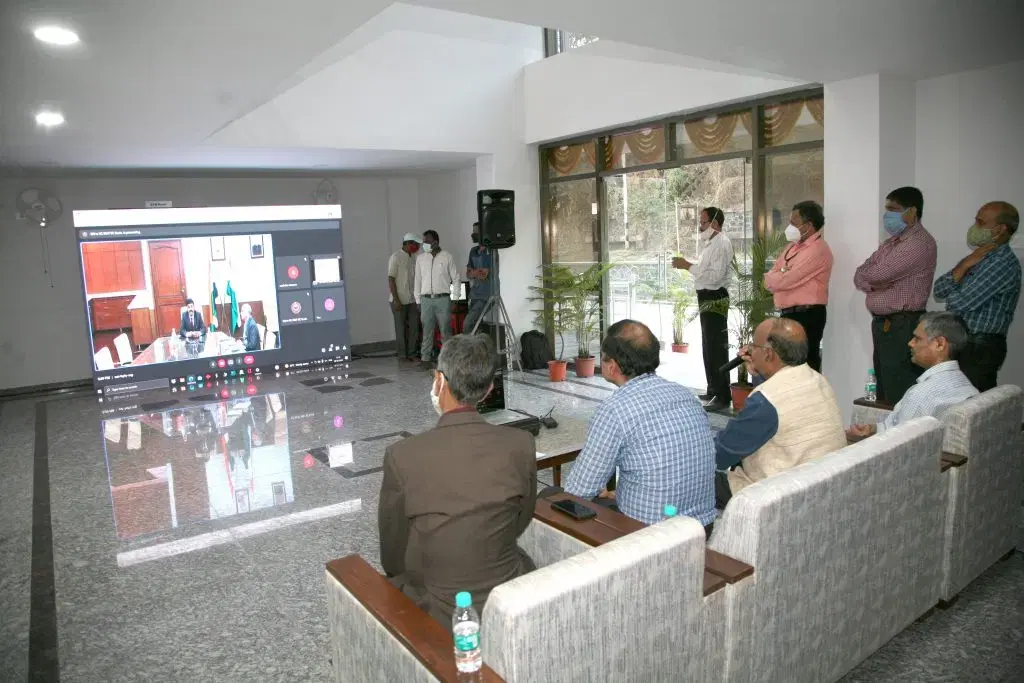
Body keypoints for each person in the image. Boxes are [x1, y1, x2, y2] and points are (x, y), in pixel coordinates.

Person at [378, 334, 537, 625]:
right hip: (510, 595)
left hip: (437, 610)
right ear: (489, 388)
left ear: (439, 380)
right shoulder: (521, 443)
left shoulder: (402, 456)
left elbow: (392, 554)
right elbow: (521, 519)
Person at [563, 320, 717, 532]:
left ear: (612, 366)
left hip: (649, 537)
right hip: (701, 527)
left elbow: (577, 492)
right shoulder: (686, 395)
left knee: (553, 499)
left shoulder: (615, 410)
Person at [714, 317, 846, 508]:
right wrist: (760, 370)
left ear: (768, 354)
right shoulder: (818, 380)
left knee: (696, 478)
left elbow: (722, 453)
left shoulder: (767, 401)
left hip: (778, 497)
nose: (749, 351)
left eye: (753, 346)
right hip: (819, 486)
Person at [854, 187, 937, 404]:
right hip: (884, 324)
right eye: (887, 209)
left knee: (898, 389)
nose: (887, 215)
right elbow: (861, 272)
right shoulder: (892, 243)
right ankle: (884, 435)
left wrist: (876, 280)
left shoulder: (918, 243)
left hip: (903, 325)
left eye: (894, 209)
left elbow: (878, 273)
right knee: (883, 387)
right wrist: (876, 284)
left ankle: (900, 436)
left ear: (912, 212)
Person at [846, 312, 979, 439]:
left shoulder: (922, 395)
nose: (910, 343)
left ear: (940, 344)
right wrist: (873, 429)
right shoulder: (965, 384)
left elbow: (896, 443)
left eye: (917, 338)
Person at [933, 201, 1021, 392]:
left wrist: (960, 273)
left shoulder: (1002, 263)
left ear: (1000, 229)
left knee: (973, 410)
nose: (974, 227)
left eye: (981, 222)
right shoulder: (979, 257)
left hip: (980, 347)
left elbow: (958, 302)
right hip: (965, 342)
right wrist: (964, 265)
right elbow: (939, 289)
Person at [673, 206, 734, 412]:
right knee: (708, 344)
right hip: (706, 297)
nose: (700, 226)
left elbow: (715, 277)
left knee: (717, 346)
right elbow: (705, 271)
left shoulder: (722, 243)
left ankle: (723, 395)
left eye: (703, 222)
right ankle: (713, 387)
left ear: (715, 223)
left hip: (716, 297)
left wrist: (687, 266)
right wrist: (689, 265)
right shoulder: (711, 243)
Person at [764, 200, 833, 372]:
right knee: (786, 366)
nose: (789, 227)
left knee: (804, 367)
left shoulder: (818, 249)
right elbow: (769, 277)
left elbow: (786, 280)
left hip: (807, 315)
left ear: (808, 226)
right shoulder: (792, 248)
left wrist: (780, 274)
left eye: (794, 223)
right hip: (788, 314)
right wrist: (780, 273)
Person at [414, 230, 461, 368]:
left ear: (436, 242)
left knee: (445, 330)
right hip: (426, 300)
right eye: (424, 241)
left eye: (427, 241)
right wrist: (418, 300)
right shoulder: (421, 258)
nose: (425, 244)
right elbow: (417, 280)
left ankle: (448, 360)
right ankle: (425, 359)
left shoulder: (447, 257)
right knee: (427, 330)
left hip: (443, 300)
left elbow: (456, 278)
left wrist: (455, 298)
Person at [388, 233, 421, 362]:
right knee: (400, 329)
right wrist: (396, 300)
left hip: (412, 299)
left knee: (414, 327)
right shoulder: (395, 257)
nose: (416, 247)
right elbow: (391, 279)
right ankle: (402, 355)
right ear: (407, 243)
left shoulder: (414, 258)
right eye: (414, 244)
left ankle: (412, 353)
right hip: (398, 300)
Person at [464, 222, 493, 334]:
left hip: (487, 295)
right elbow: (468, 274)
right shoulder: (473, 251)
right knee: (476, 325)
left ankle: (467, 349)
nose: (473, 234)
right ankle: (478, 349)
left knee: (468, 323)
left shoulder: (491, 251)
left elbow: (484, 274)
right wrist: (476, 272)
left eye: (476, 232)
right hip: (474, 294)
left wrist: (473, 272)